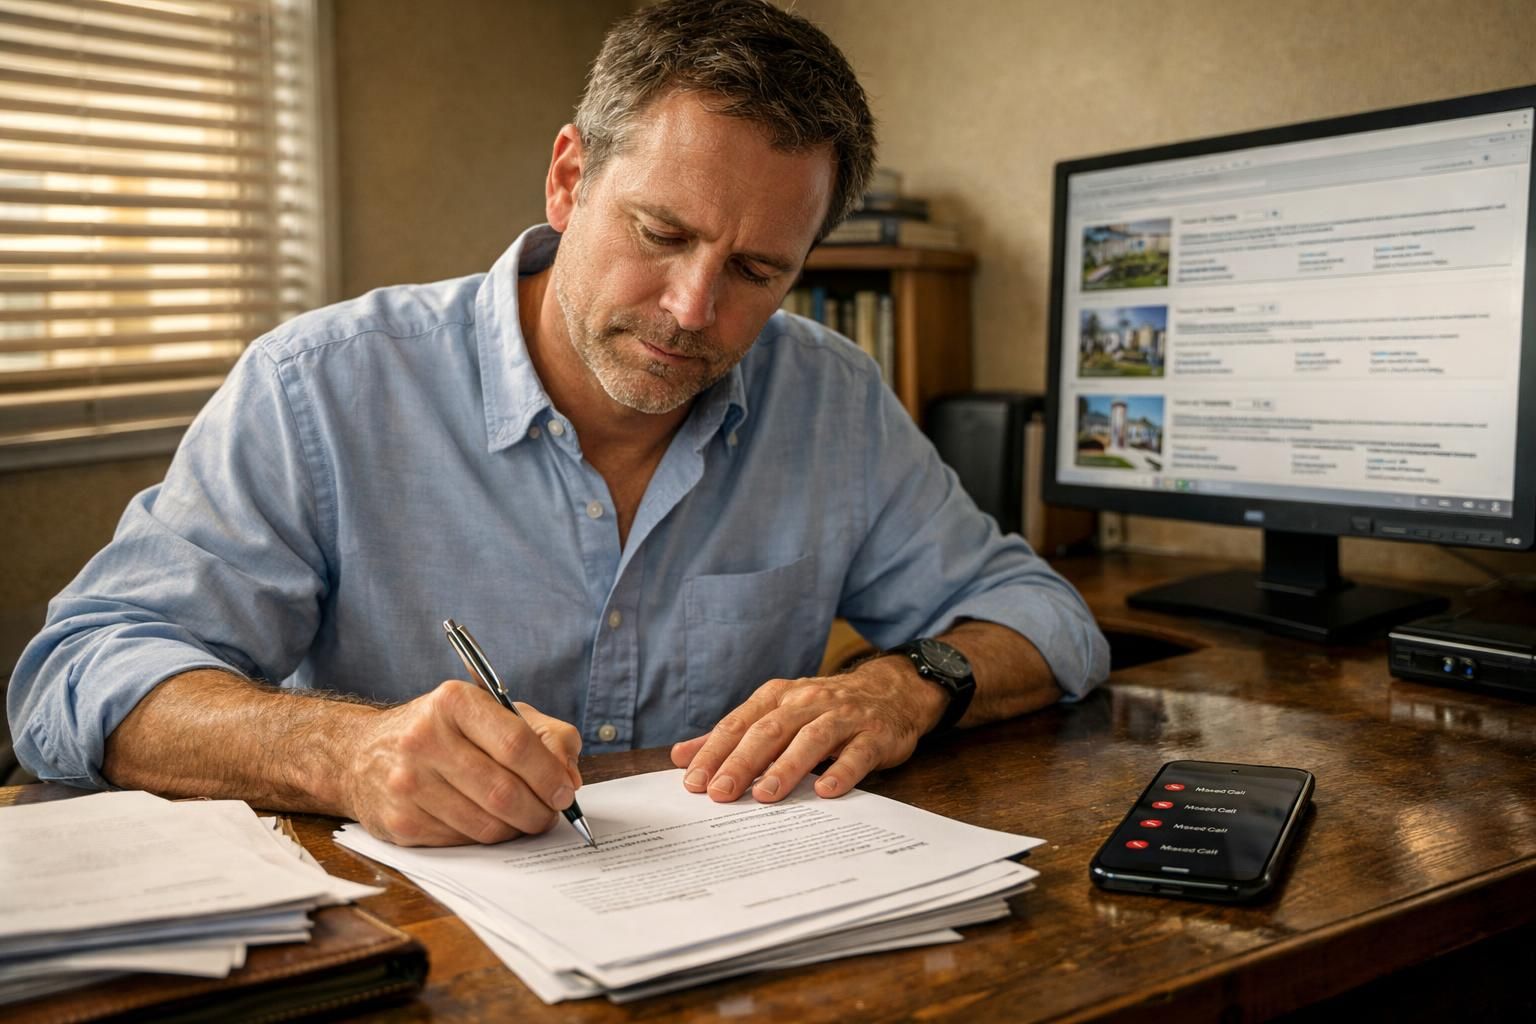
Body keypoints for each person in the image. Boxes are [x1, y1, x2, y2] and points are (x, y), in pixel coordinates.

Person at [9, 0, 1108, 847]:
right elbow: (79, 673)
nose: (693, 310)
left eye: (757, 269)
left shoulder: (831, 398)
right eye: (661, 232)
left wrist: (902, 684)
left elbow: (1042, 616)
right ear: (570, 177)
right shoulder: (320, 388)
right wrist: (343, 750)